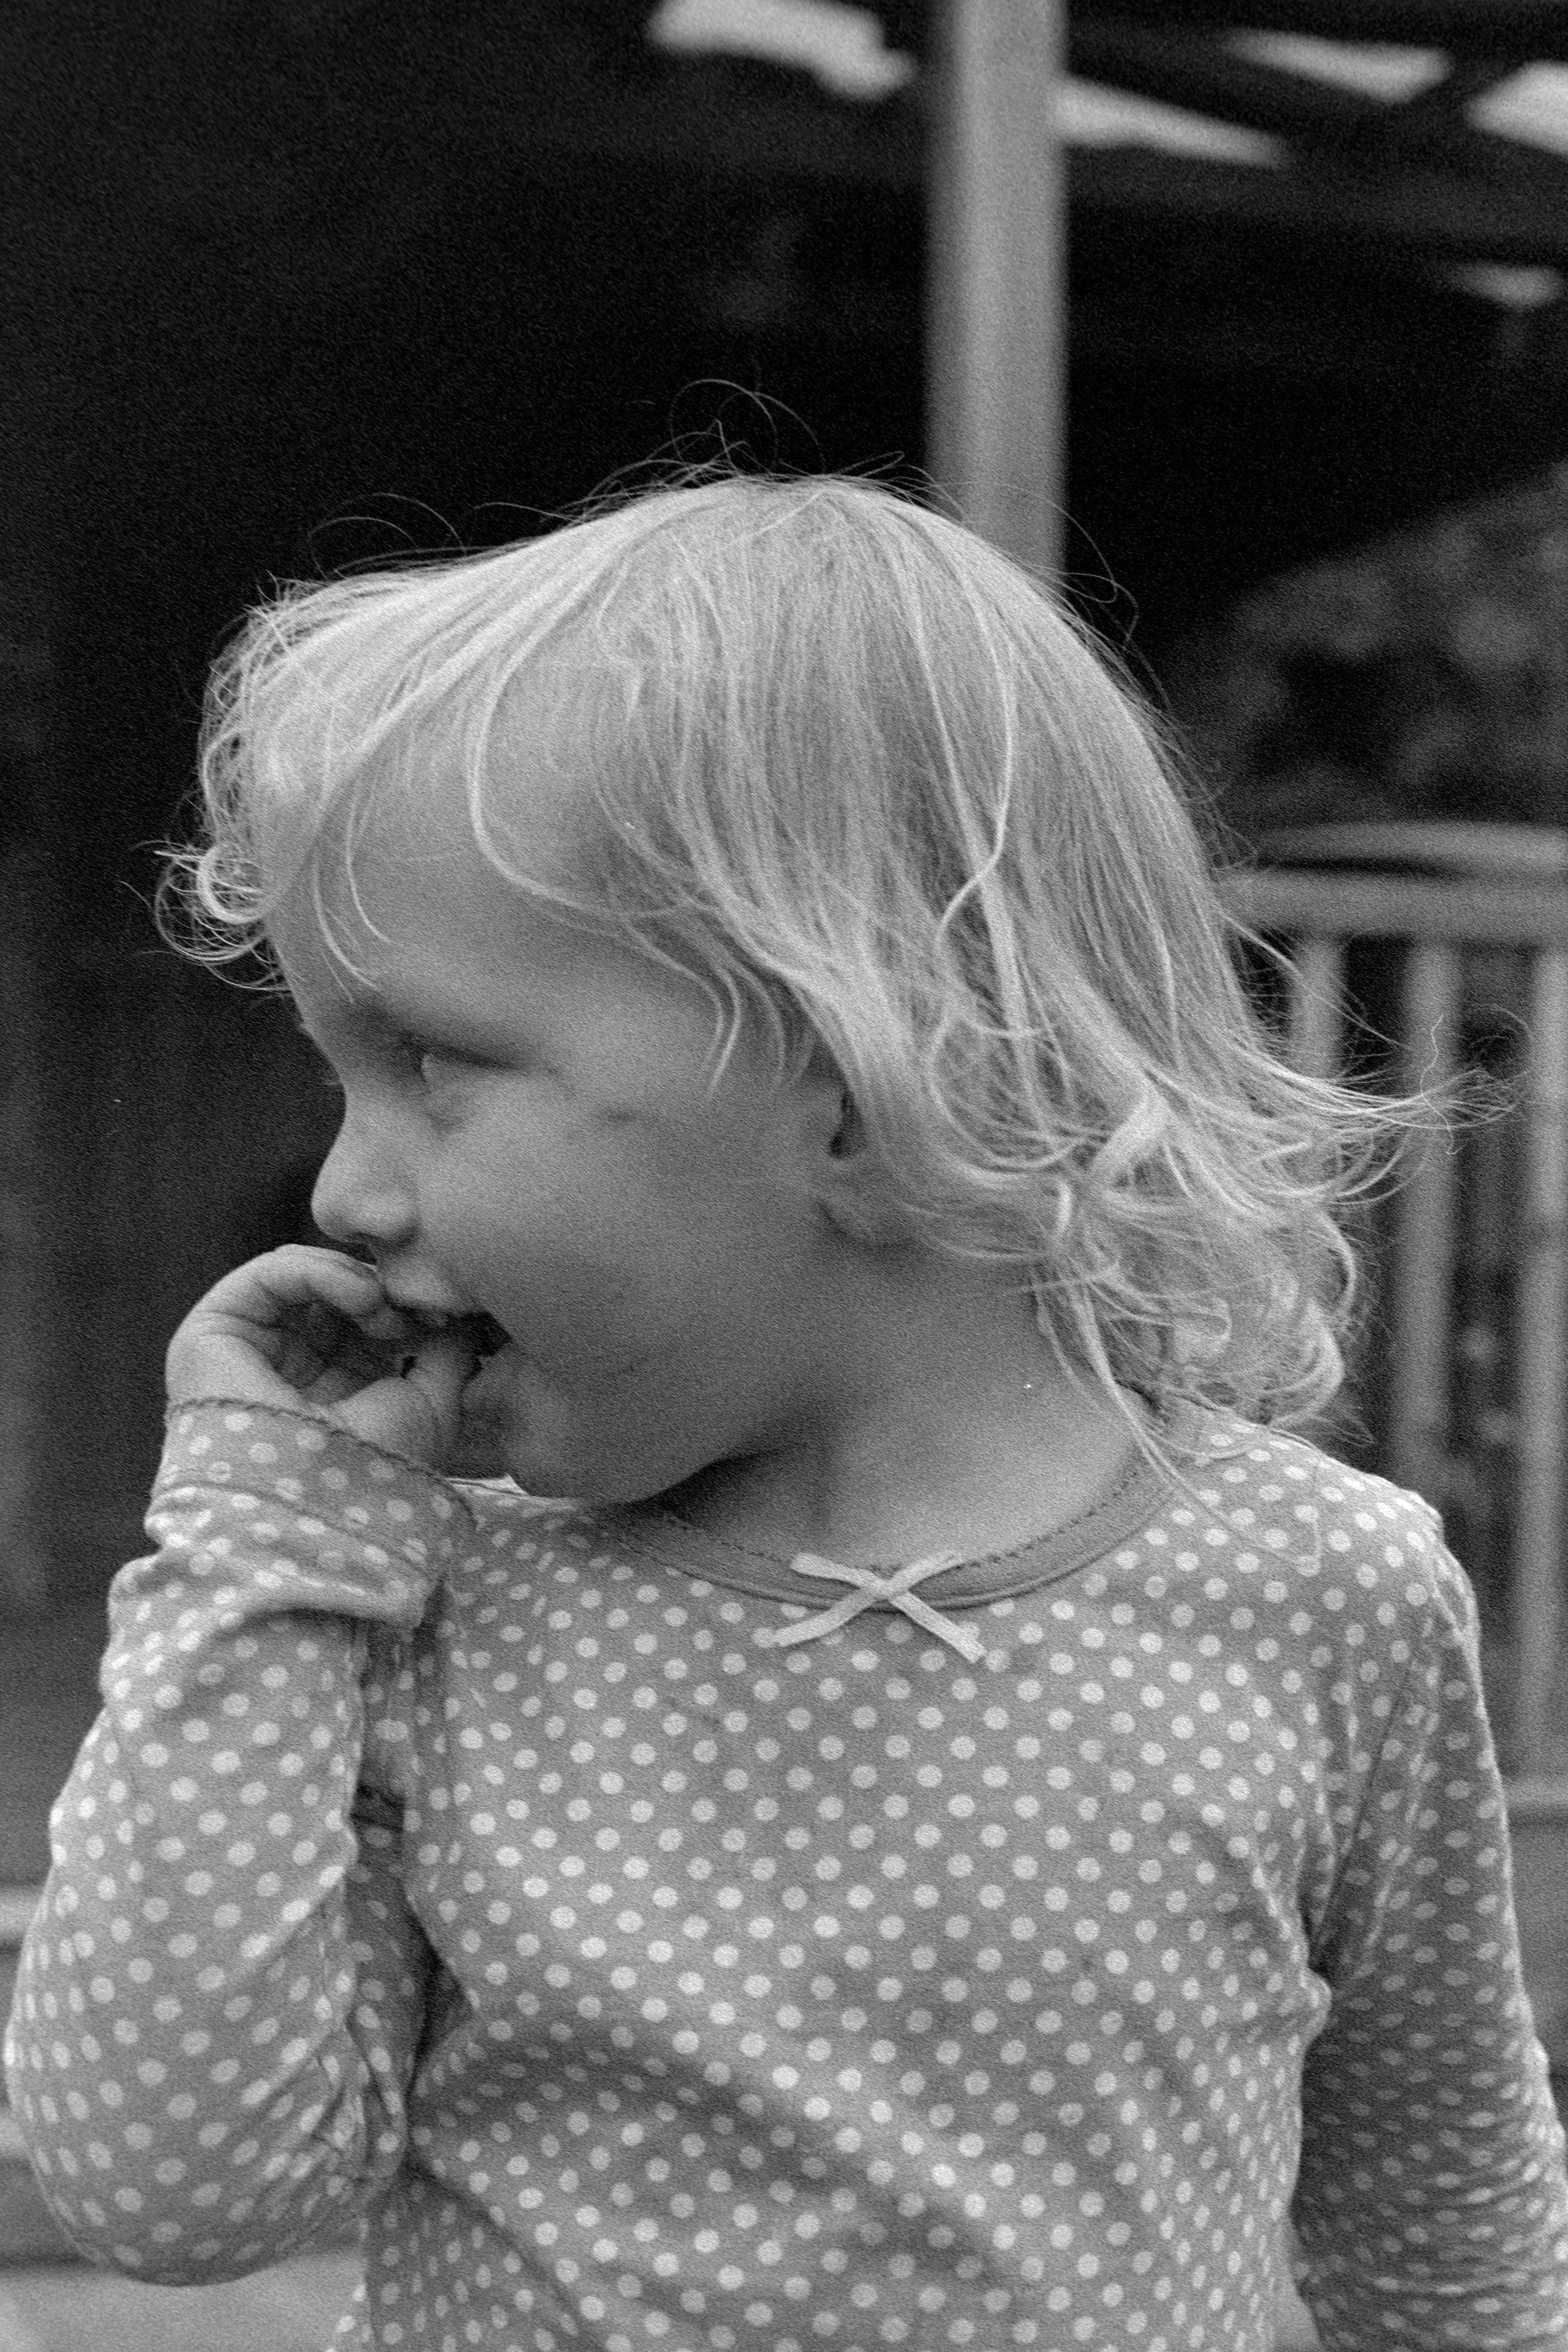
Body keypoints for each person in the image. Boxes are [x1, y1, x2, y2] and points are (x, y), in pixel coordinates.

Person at [7, 473, 1566, 2352]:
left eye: (429, 1063)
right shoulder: (437, 1600)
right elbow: (168, 2190)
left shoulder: (1319, 1593)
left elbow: (1444, 2225)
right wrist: (256, 1557)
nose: (343, 1192)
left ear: (854, 1076)